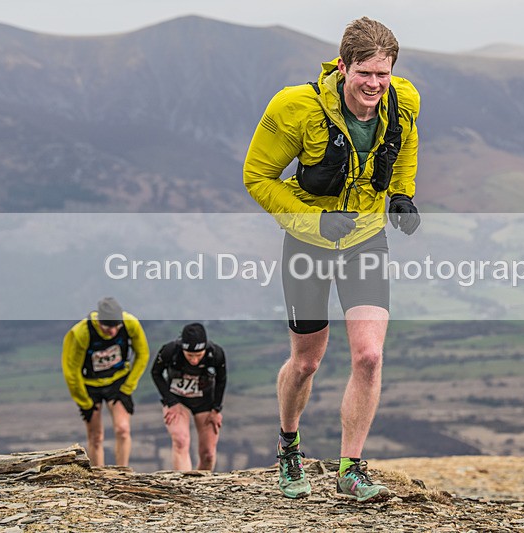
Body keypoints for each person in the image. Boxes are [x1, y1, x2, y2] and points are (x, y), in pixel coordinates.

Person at [243, 17, 421, 502]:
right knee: (306, 362)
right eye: (364, 73)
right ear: (342, 67)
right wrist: (314, 222)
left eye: (383, 74)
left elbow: (405, 145)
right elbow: (257, 177)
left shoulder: (404, 100)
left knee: (369, 356)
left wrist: (401, 195)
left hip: (365, 240)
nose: (374, 85)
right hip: (309, 243)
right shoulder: (295, 107)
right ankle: (289, 447)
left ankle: (351, 470)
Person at [61, 296, 149, 467]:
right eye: (108, 327)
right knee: (96, 436)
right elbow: (71, 371)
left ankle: (123, 472)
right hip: (90, 385)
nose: (113, 332)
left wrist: (128, 387)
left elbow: (143, 354)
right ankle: (98, 474)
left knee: (123, 430)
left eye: (117, 326)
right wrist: (85, 403)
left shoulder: (130, 324)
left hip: (118, 381)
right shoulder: (81, 333)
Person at [150, 322, 227, 471]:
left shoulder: (216, 353)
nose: (194, 360)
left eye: (198, 355)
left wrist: (216, 409)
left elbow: (221, 380)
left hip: (205, 402)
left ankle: (202, 483)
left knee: (208, 454)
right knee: (180, 441)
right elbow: (156, 373)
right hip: (178, 400)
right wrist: (171, 402)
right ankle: (183, 482)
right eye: (190, 355)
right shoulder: (170, 350)